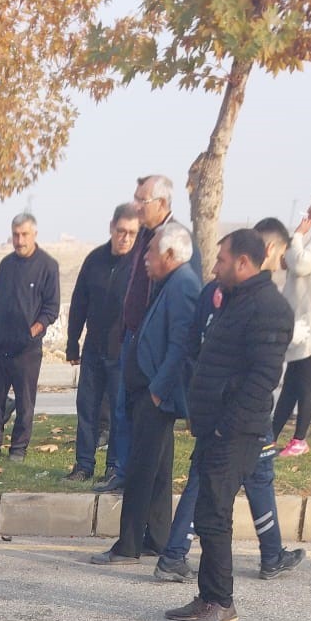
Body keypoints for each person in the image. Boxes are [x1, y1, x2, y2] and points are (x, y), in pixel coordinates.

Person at [155, 218, 305, 583]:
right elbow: (199, 352)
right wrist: (205, 413)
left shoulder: (269, 307)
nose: (214, 266)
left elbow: (263, 378)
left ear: (244, 261)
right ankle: (206, 588)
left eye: (220, 259)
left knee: (224, 506)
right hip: (218, 426)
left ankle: (228, 589)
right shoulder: (227, 298)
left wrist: (225, 426)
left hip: (237, 428)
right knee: (209, 511)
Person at [90, 222, 199, 565]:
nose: (145, 258)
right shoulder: (167, 282)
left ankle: (128, 545)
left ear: (169, 254)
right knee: (158, 469)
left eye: (151, 252)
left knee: (140, 469)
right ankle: (158, 537)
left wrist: (157, 390)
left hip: (156, 394)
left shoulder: (182, 285)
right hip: (149, 389)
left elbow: (181, 345)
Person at [94, 175, 177, 493]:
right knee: (121, 408)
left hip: (149, 344)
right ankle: (121, 470)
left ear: (162, 203)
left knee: (144, 416)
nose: (136, 205)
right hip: (130, 337)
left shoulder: (172, 239)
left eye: (142, 200)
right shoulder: (145, 234)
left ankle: (135, 476)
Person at [65, 203, 141, 482]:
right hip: (94, 348)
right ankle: (84, 465)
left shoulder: (138, 265)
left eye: (132, 233)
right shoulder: (95, 259)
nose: (126, 238)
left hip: (122, 352)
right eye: (121, 231)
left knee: (119, 413)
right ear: (112, 228)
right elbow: (79, 303)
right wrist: (72, 342)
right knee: (87, 408)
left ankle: (114, 466)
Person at [0, 213, 60, 462]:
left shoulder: (48, 266)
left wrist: (32, 331)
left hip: (27, 349)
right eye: (15, 234)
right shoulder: (6, 264)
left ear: (34, 234)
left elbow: (51, 309)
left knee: (25, 401)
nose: (19, 240)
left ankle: (18, 448)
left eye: (24, 234)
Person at [272, 190, 311, 457]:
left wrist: (297, 235)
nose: (309, 210)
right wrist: (296, 245)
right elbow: (287, 260)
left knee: (304, 380)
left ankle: (300, 437)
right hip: (299, 319)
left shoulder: (310, 239)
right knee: (291, 382)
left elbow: (299, 263)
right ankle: (272, 435)